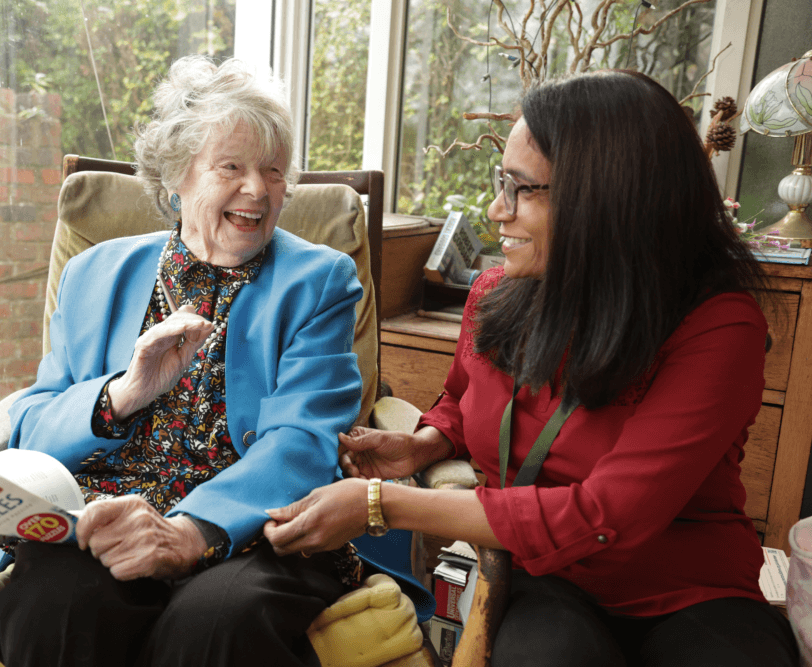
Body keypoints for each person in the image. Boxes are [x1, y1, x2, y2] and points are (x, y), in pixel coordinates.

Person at [264, 70, 801, 666]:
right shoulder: (495, 295)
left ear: (605, 197)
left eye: (520, 188)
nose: (497, 210)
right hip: (545, 576)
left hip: (690, 593)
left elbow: (607, 516)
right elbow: (463, 401)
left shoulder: (718, 326)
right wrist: (423, 445)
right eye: (501, 183)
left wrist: (380, 504)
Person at [0, 55, 414, 667]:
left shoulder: (318, 281)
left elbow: (301, 442)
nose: (259, 190)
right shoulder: (94, 275)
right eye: (232, 167)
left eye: (273, 170)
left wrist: (191, 532)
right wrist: (123, 393)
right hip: (107, 519)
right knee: (56, 609)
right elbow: (35, 427)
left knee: (215, 623)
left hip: (256, 530)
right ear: (176, 178)